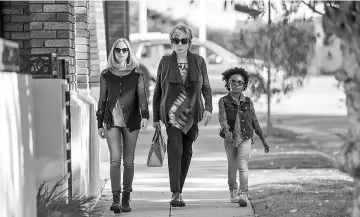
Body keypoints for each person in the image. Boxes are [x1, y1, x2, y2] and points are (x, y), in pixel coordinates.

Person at [152, 23, 213, 207]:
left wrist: (208, 108)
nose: (180, 44)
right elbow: (158, 92)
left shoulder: (199, 61)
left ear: (189, 43)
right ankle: (175, 193)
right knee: (175, 150)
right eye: (176, 40)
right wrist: (155, 117)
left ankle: (180, 189)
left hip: (192, 112)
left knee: (187, 152)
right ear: (171, 43)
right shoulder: (164, 62)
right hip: (171, 114)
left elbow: (206, 87)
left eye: (183, 40)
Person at [96, 38, 149, 214]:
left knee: (128, 161)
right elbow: (102, 99)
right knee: (115, 160)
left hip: (131, 121)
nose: (121, 53)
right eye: (117, 50)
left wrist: (145, 116)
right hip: (111, 122)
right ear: (113, 52)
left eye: (124, 50)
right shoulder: (106, 74)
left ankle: (126, 197)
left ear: (129, 52)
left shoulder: (137, 74)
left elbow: (142, 97)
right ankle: (116, 199)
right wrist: (99, 123)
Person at [218, 67, 269, 207]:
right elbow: (222, 118)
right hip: (229, 139)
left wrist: (263, 140)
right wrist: (226, 131)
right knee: (232, 166)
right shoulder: (223, 101)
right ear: (228, 83)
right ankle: (233, 190)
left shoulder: (248, 101)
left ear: (244, 85)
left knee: (243, 165)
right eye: (232, 82)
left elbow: (254, 121)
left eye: (239, 82)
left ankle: (243, 193)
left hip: (245, 137)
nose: (236, 84)